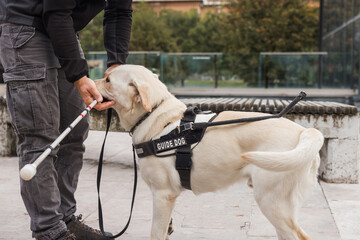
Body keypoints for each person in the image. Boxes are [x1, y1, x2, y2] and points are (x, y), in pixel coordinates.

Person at [0, 0, 132, 239]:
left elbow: (119, 11)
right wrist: (79, 77)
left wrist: (116, 64)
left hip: (62, 27)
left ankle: (64, 219)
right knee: (40, 135)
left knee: (75, 131)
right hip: (25, 27)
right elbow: (56, 11)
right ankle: (49, 230)